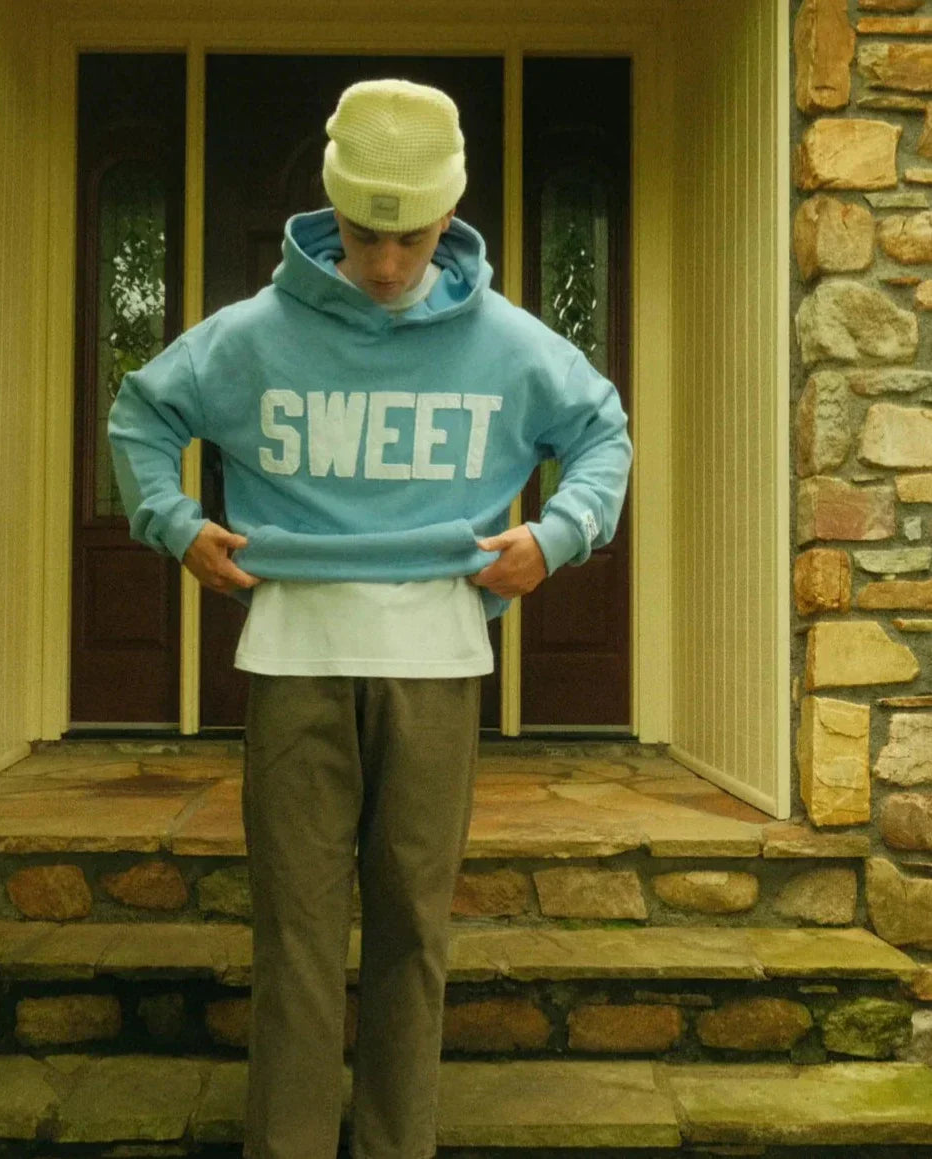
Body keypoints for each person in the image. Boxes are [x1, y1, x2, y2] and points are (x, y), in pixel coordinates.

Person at [108, 77, 632, 1159]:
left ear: (449, 215)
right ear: (330, 209)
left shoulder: (509, 344)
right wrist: (174, 522)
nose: (386, 264)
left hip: (436, 656)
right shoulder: (253, 336)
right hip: (294, 653)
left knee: (412, 933)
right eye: (362, 235)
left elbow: (600, 431)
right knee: (295, 934)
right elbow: (143, 411)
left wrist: (558, 535)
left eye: (410, 237)